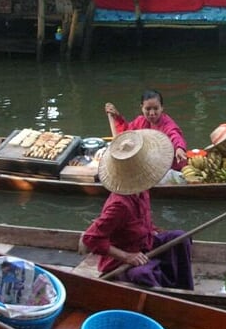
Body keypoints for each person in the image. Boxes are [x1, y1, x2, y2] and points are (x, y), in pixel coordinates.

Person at [80, 129, 194, 290]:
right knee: (144, 275)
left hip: (145, 244)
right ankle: (164, 295)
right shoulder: (120, 205)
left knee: (180, 238)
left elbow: (145, 220)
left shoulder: (142, 189)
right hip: (122, 259)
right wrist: (127, 257)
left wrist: (153, 231)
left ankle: (184, 289)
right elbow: (91, 239)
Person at [105, 89, 187, 171]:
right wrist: (117, 117)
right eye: (148, 109)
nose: (152, 113)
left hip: (168, 166)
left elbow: (174, 135)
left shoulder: (167, 123)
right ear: (142, 108)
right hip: (147, 163)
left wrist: (179, 148)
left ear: (162, 108)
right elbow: (126, 134)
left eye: (156, 108)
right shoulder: (140, 121)